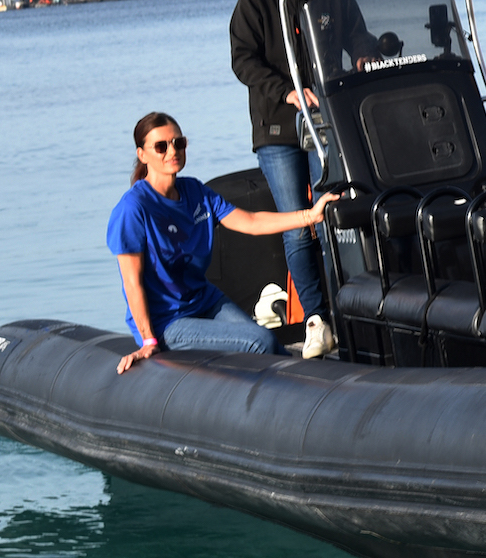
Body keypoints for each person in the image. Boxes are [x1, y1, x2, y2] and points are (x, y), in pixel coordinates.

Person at [228, 0, 370, 358]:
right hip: (278, 130)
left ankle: (346, 310)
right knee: (296, 226)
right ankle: (316, 319)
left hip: (325, 124)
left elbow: (358, 37)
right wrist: (285, 90)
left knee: (332, 219)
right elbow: (243, 62)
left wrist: (368, 54)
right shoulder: (253, 2)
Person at [110, 112, 337, 373]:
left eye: (179, 143)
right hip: (167, 320)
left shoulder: (194, 191)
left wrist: (309, 215)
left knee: (268, 341)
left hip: (204, 300)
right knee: (258, 341)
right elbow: (132, 282)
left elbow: (251, 222)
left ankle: (310, 385)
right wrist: (148, 340)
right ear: (142, 155)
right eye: (161, 146)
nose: (172, 151)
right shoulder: (133, 209)